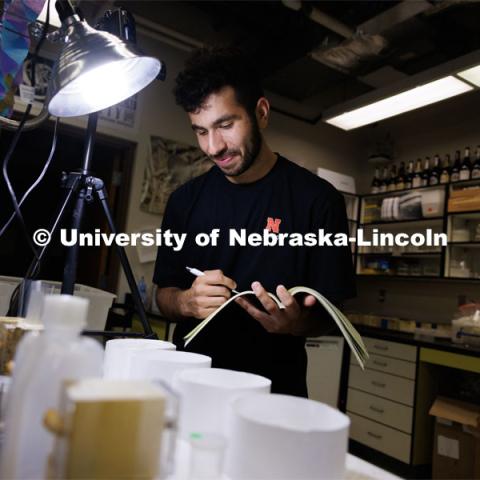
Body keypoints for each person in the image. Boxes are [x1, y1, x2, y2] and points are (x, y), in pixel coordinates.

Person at [153, 47, 355, 396]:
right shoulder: (183, 202)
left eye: (225, 125)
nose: (214, 147)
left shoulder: (318, 201)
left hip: (274, 393)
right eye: (200, 131)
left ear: (261, 113)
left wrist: (296, 322)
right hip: (190, 388)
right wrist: (186, 301)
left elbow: (329, 316)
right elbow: (163, 296)